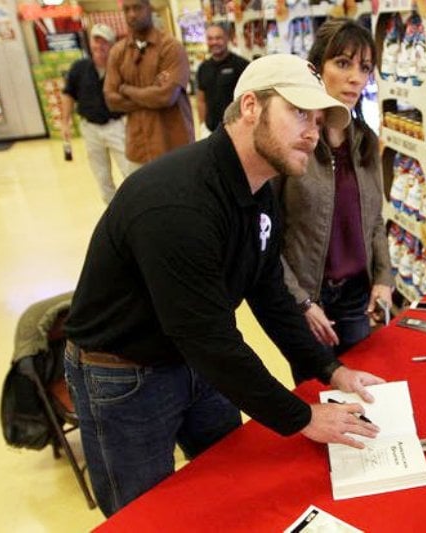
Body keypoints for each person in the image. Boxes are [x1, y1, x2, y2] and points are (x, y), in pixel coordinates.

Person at [64, 54, 385, 517]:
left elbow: (270, 293)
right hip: (123, 376)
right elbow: (210, 339)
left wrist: (331, 370)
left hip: (194, 362)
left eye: (318, 119)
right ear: (250, 106)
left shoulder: (259, 191)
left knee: (232, 483)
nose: (313, 131)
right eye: (298, 113)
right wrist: (303, 417)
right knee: (142, 516)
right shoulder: (178, 203)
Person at [272, 19, 393, 384]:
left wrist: (384, 278)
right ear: (316, 68)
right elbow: (267, 239)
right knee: (316, 397)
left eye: (365, 68)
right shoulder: (292, 144)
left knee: (360, 393)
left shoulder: (366, 142)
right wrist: (301, 302)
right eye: (343, 63)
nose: (356, 77)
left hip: (357, 298)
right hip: (310, 299)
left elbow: (374, 220)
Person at [103, 0, 194, 173]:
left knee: (180, 198)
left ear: (149, 8)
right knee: (143, 198)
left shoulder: (171, 48)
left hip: (174, 148)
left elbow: (167, 97)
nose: (132, 14)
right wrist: (150, 96)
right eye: (127, 10)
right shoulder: (118, 52)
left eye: (137, 7)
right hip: (138, 150)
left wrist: (126, 90)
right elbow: (111, 100)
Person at [61, 23, 127, 204]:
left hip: (117, 125)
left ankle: (132, 207)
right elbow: (68, 94)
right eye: (95, 41)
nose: (99, 47)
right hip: (90, 128)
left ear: (112, 45)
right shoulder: (79, 68)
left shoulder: (121, 68)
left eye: (104, 42)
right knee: (102, 175)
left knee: (128, 170)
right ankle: (112, 212)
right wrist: (65, 123)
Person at [196, 23, 248, 138]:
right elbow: (201, 100)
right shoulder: (203, 68)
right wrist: (202, 126)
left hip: (237, 130)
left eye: (218, 38)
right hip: (211, 131)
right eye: (210, 38)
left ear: (227, 39)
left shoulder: (241, 65)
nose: (214, 42)